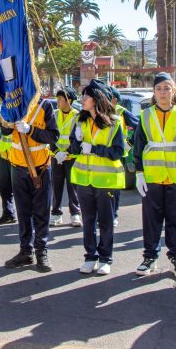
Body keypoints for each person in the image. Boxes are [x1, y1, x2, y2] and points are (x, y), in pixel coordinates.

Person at [134, 74, 176, 279]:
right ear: (154, 92)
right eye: (159, 88)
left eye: (167, 88)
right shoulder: (145, 115)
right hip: (152, 177)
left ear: (174, 91)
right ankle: (149, 257)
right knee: (151, 220)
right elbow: (138, 146)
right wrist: (139, 173)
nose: (163, 92)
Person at [67, 79, 125, 275]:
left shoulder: (115, 122)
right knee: (88, 220)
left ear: (97, 98)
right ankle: (90, 256)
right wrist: (76, 141)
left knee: (106, 222)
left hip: (106, 180)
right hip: (84, 179)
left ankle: (106, 258)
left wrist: (95, 149)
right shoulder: (79, 121)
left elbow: (118, 152)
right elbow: (74, 150)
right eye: (83, 96)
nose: (82, 99)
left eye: (87, 96)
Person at [2, 95, 59, 272]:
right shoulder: (12, 104)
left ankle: (41, 251)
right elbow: (5, 132)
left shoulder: (45, 105)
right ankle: (25, 251)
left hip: (40, 167)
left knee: (41, 212)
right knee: (23, 212)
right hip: (18, 166)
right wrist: (7, 117)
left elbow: (53, 135)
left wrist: (30, 130)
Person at [50, 87, 81, 227]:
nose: (58, 101)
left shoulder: (78, 116)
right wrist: (57, 152)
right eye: (57, 98)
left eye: (60, 99)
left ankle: (75, 214)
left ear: (69, 100)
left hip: (72, 157)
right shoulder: (54, 114)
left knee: (72, 187)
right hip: (56, 157)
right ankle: (56, 214)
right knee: (56, 187)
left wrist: (67, 153)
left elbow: (78, 139)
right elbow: (50, 136)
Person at [109, 87, 139, 227]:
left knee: (115, 187)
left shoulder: (122, 112)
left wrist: (129, 143)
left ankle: (114, 214)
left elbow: (139, 127)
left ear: (114, 99)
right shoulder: (100, 111)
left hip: (118, 155)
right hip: (103, 154)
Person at [0, 116, 17, 225]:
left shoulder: (19, 110)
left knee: (19, 189)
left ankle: (26, 216)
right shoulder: (4, 112)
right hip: (4, 153)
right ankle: (8, 213)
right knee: (3, 187)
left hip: (17, 155)